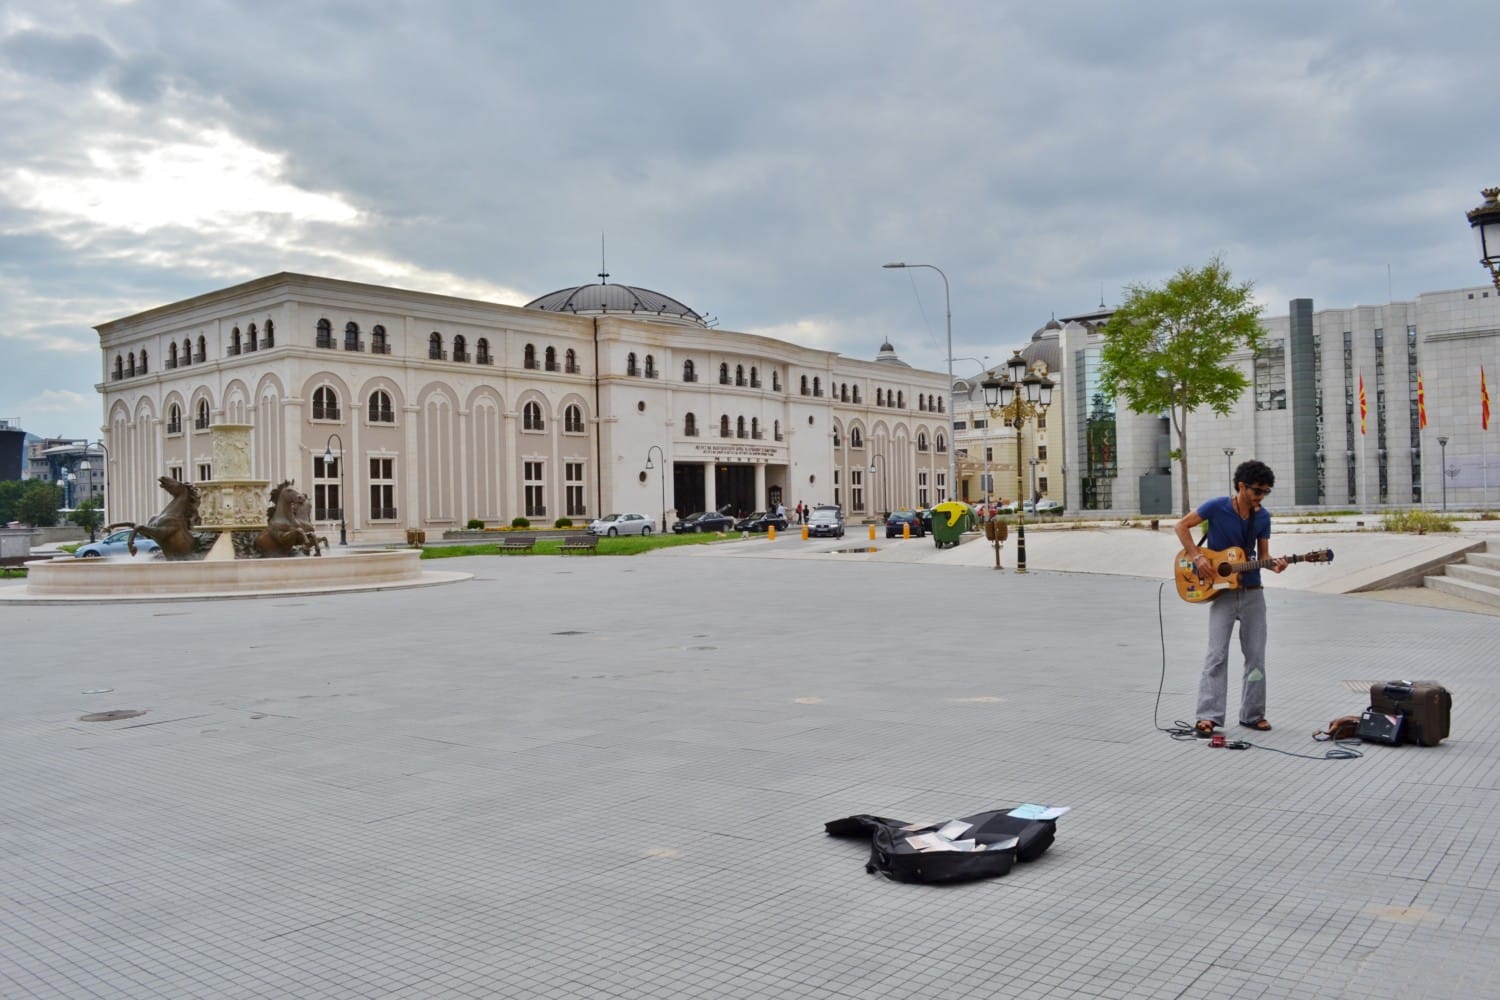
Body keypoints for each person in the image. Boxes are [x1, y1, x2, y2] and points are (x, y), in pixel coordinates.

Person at [1174, 459, 1287, 738]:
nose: (1261, 496)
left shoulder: (1263, 517)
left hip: (1252, 593)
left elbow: (1262, 558)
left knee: (1256, 657)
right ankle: (1208, 716)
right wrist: (1198, 557)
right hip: (1222, 593)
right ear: (1241, 486)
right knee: (1216, 656)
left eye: (1265, 492)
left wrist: (1276, 564)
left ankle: (1253, 714)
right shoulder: (1217, 507)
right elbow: (1181, 527)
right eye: (1257, 490)